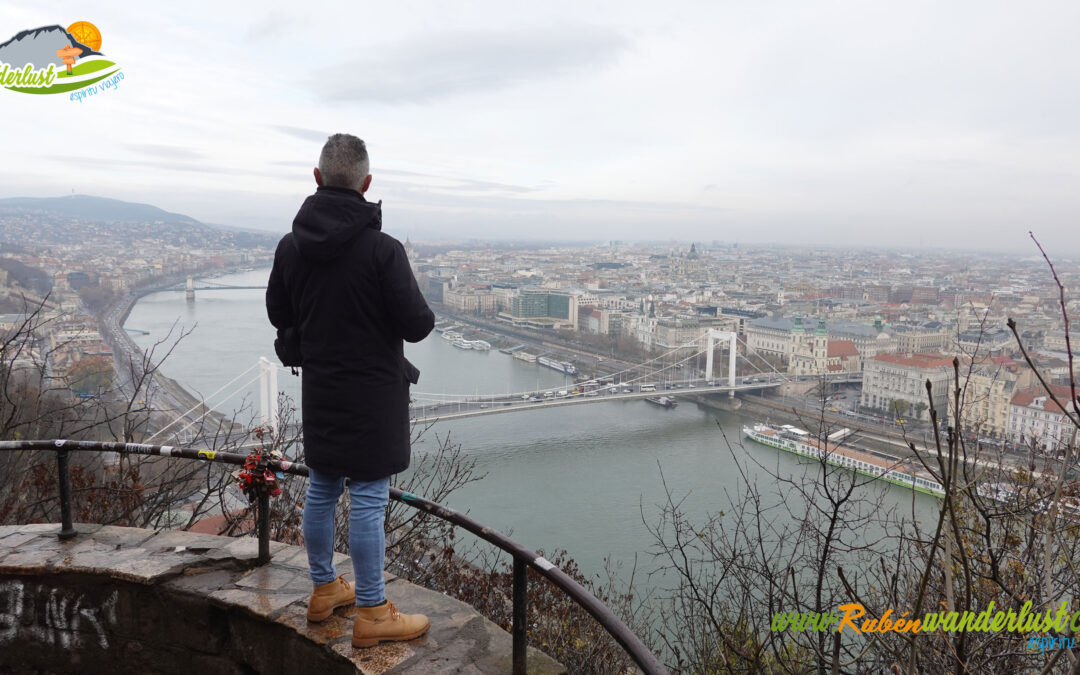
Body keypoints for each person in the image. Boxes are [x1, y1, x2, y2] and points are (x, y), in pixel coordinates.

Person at [266, 133, 435, 648]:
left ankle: (324, 590)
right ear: (367, 184)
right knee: (366, 495)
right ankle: (372, 611)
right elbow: (418, 324)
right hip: (374, 395)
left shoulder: (291, 247)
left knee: (321, 487)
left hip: (321, 388)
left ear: (317, 178)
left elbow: (279, 313)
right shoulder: (383, 251)